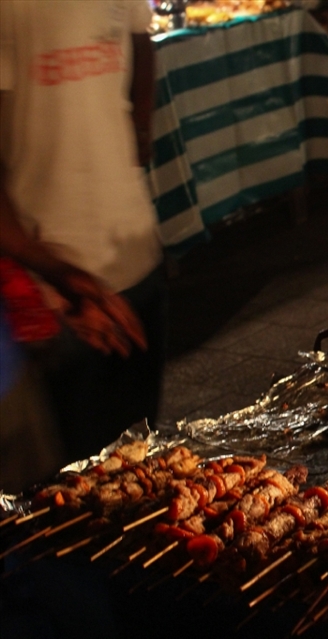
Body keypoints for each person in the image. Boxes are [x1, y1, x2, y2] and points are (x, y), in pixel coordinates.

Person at [0, 0, 168, 465]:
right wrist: (49, 271)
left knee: (142, 464)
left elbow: (139, 35)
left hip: (133, 254)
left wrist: (138, 128)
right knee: (72, 486)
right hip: (56, 290)